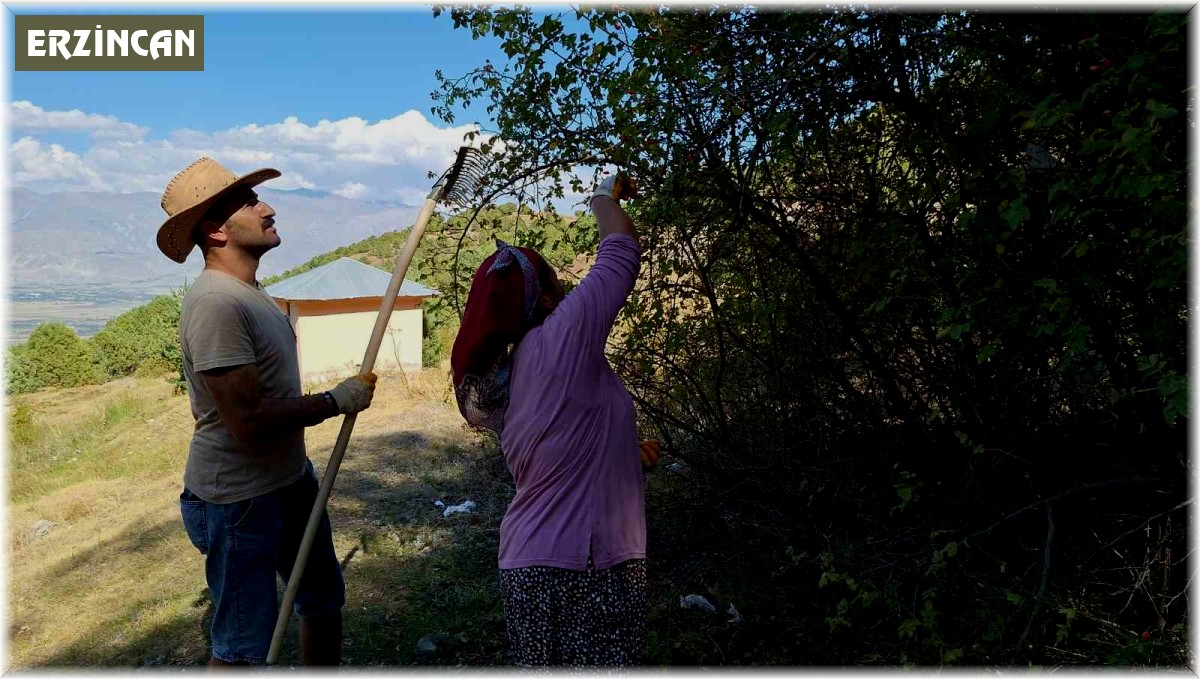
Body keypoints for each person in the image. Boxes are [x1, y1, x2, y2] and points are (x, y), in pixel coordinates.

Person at [156, 157, 377, 666]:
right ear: (215, 229)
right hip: (240, 501)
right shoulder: (216, 305)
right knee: (241, 646)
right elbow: (247, 421)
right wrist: (332, 402)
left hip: (287, 481)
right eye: (250, 202)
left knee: (322, 602)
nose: (268, 208)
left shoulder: (249, 293)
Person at [451, 174, 647, 666]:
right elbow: (621, 251)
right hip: (584, 567)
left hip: (528, 566)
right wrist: (603, 193)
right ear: (542, 299)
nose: (566, 285)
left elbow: (561, 456)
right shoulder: (560, 337)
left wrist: (624, 456)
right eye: (556, 279)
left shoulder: (512, 374)